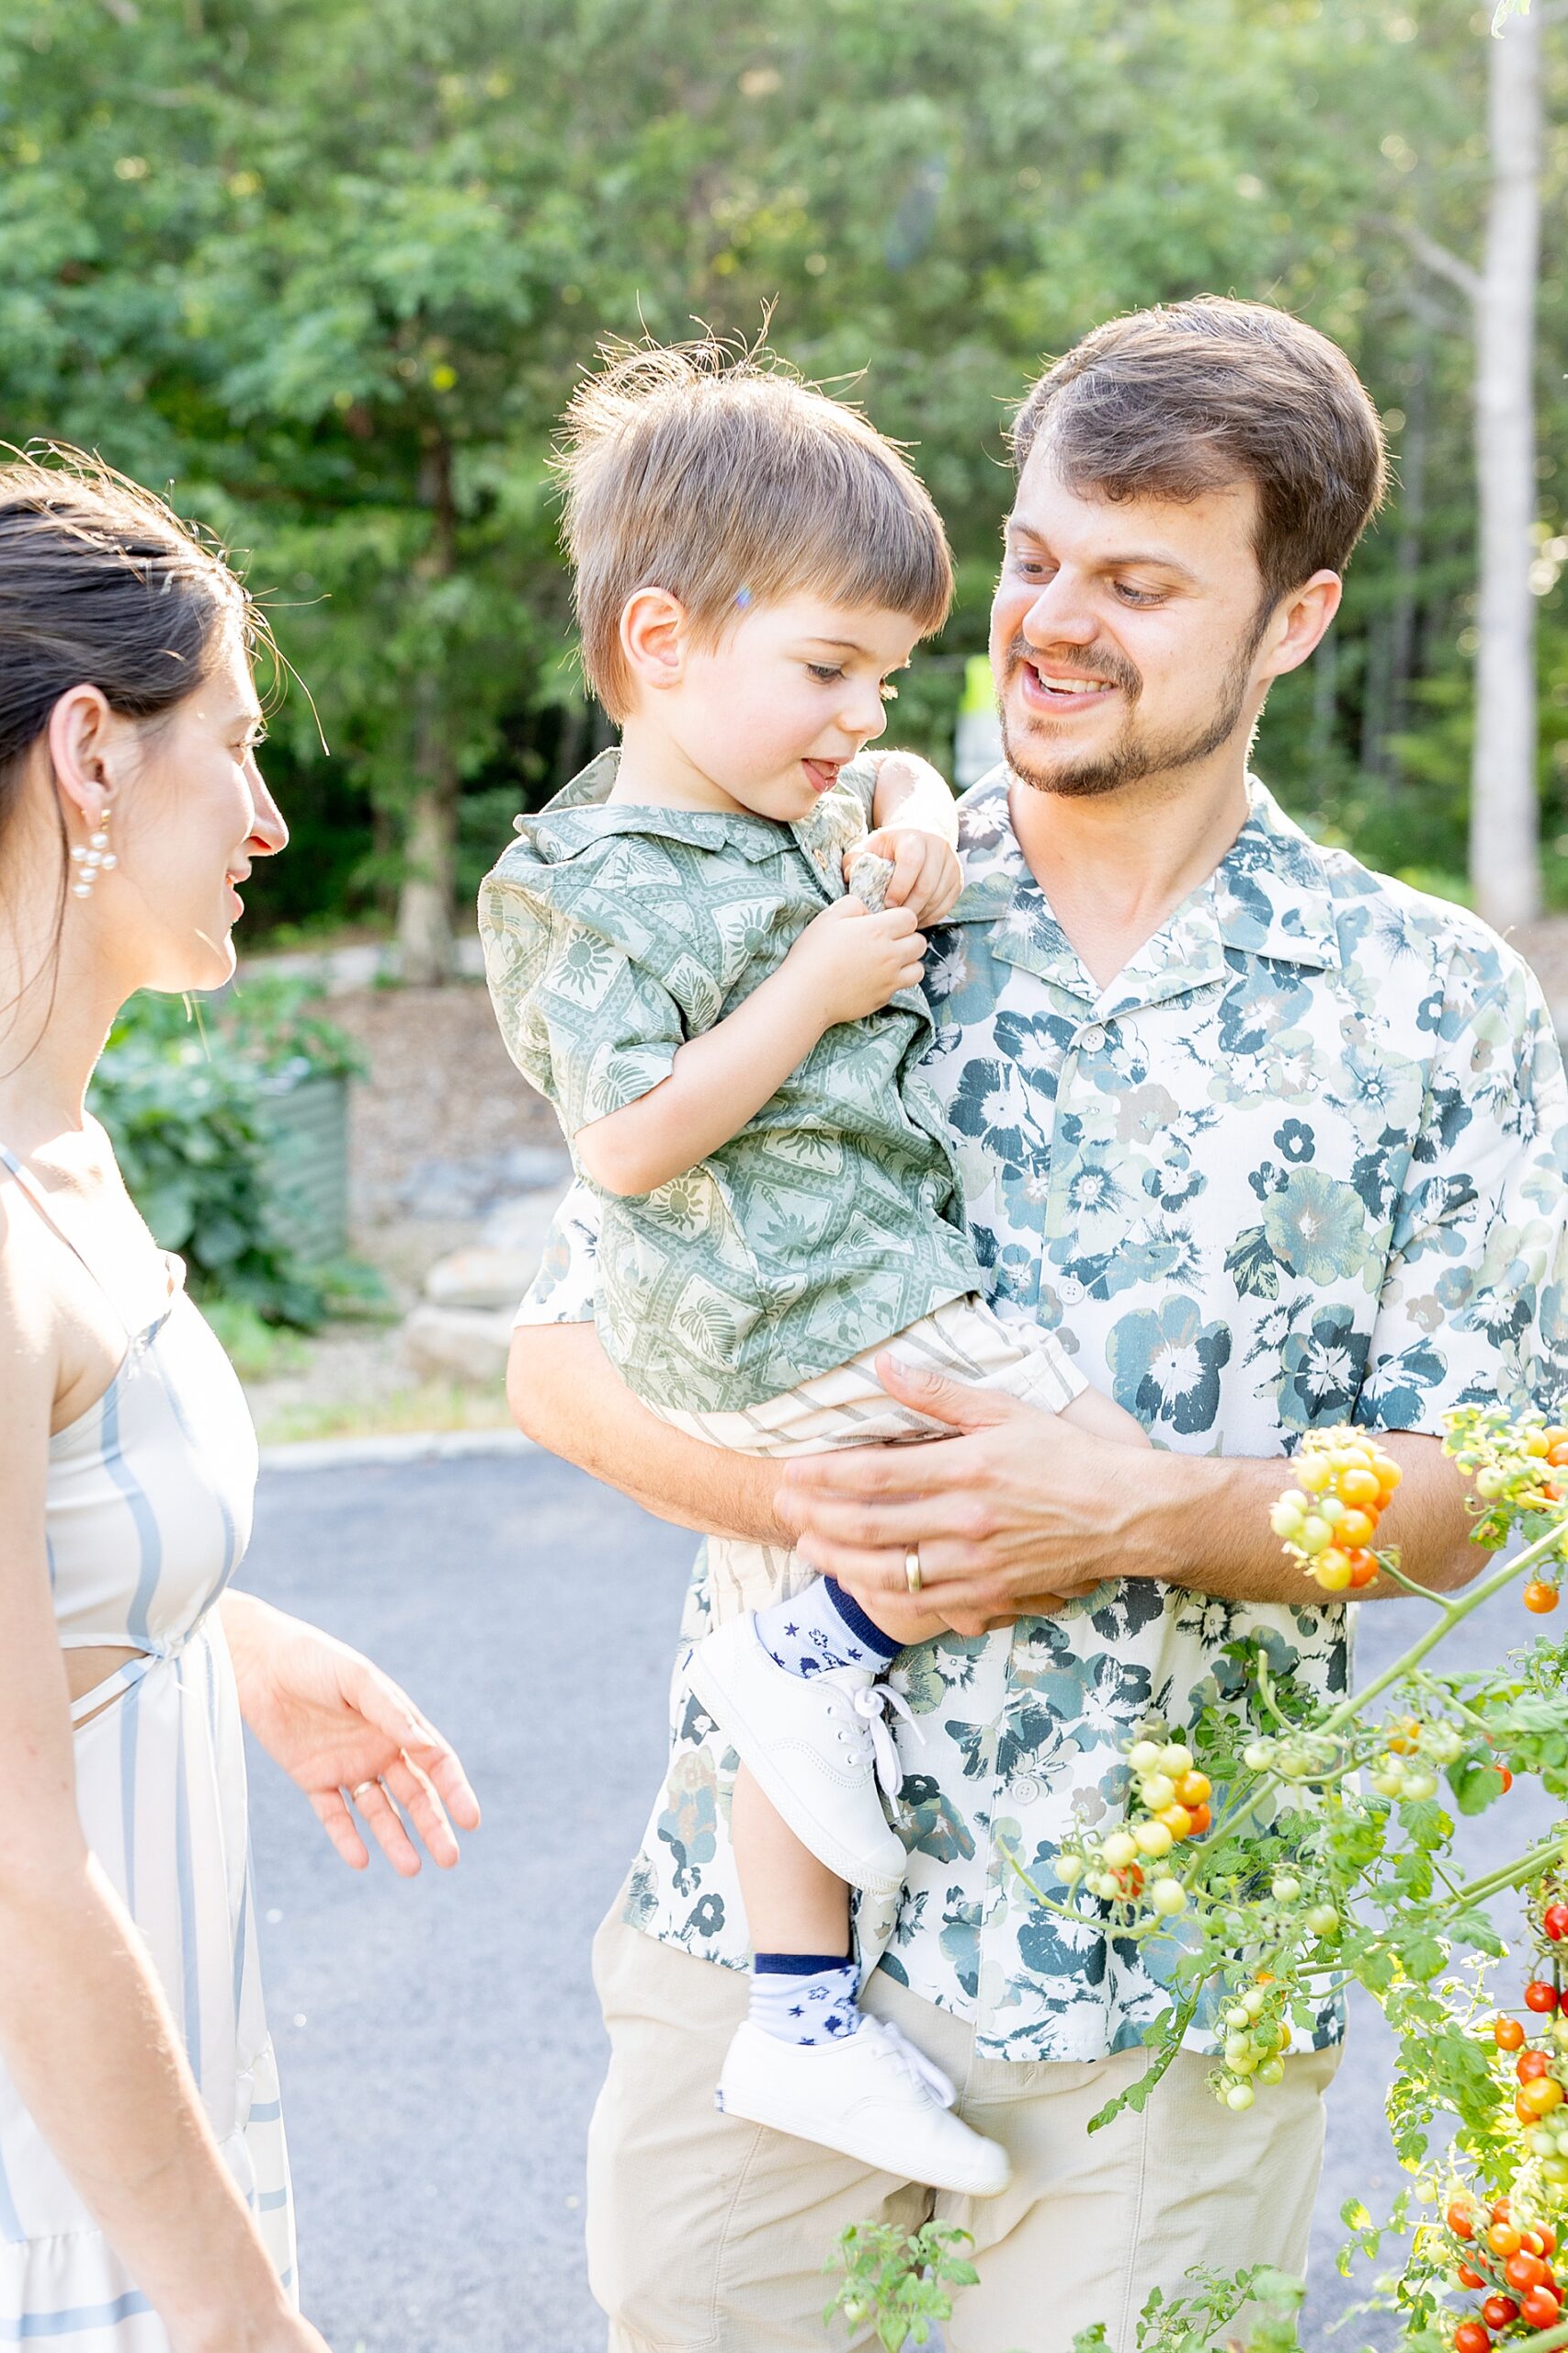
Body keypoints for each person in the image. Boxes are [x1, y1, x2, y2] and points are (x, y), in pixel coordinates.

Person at [510, 297, 1568, 2353]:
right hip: (765, 1963)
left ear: (1292, 618)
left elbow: (1479, 1494)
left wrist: (1143, 1513)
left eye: (1140, 582)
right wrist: (836, 1509)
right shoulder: (804, 885)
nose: (1052, 623)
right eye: (1033, 557)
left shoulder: (1423, 1003)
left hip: (1164, 1984)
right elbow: (557, 1355)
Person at [479, 344, 1150, 2198]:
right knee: (1055, 1459)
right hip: (799, 1296)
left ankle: (798, 2010)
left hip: (825, 1286)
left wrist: (919, 795)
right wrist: (812, 986)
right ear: (669, 638)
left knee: (821, 1574)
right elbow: (619, 1139)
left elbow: (891, 791)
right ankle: (822, 1644)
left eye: (883, 679)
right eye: (829, 671)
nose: (859, 715)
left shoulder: (787, 805)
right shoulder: (579, 884)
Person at [0, 453, 481, 2352]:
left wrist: (211, 1626)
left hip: (144, 2136)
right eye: (242, 746)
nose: (274, 820)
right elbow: (16, 1869)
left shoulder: (66, 1149)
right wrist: (235, 2320)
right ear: (94, 754)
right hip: (55, 2206)